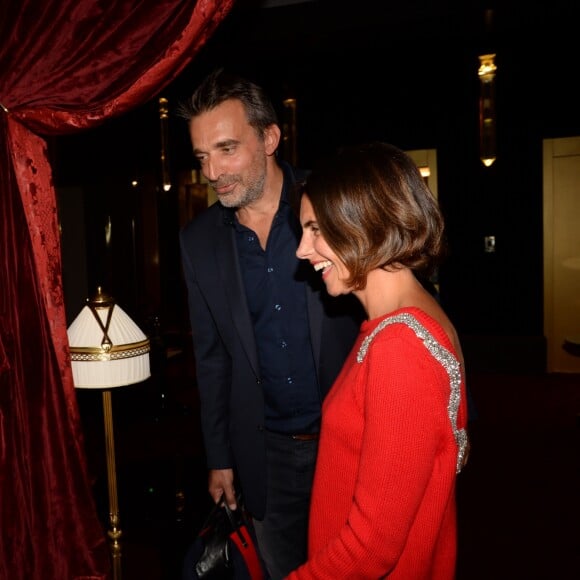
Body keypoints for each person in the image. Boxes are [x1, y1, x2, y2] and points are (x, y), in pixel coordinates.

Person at [177, 68, 363, 579]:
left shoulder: (331, 204)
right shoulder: (198, 243)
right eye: (201, 157)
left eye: (227, 149)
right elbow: (212, 358)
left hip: (347, 441)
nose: (212, 172)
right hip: (266, 455)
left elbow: (396, 303)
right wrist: (219, 457)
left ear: (270, 138)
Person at [285, 142, 470, 579]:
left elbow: (371, 549)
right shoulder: (412, 317)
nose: (301, 250)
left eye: (315, 229)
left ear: (362, 223)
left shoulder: (400, 347)